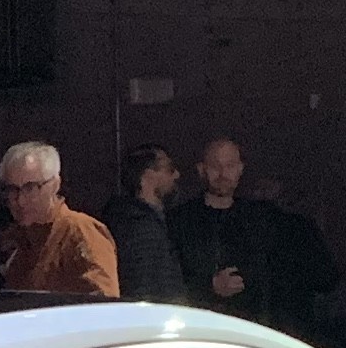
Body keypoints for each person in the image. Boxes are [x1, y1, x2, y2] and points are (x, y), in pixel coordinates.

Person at [168, 137, 283, 319]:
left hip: (249, 324)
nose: (222, 174)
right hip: (196, 322)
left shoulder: (260, 220)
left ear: (240, 169)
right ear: (201, 169)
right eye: (215, 166)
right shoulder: (179, 220)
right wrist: (209, 286)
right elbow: (168, 278)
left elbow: (272, 277)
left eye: (229, 166)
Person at [0, 140, 120, 296]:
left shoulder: (80, 231)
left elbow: (105, 303)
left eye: (31, 188)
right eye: (12, 190)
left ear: (55, 185)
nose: (21, 201)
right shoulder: (15, 243)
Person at [104, 143, 187, 300]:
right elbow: (145, 285)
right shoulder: (140, 227)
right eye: (169, 169)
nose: (176, 175)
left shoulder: (139, 220)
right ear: (148, 176)